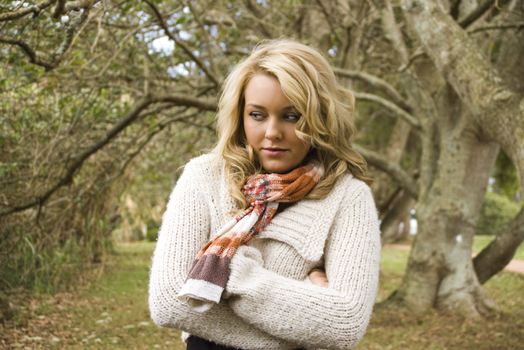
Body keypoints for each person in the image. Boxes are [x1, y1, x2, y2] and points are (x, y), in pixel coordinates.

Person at [148, 39, 381, 350]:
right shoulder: (204, 177)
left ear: (320, 117)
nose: (272, 132)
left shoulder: (348, 198)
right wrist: (303, 310)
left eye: (292, 116)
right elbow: (168, 302)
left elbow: (345, 323)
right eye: (257, 115)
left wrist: (231, 274)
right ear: (241, 117)